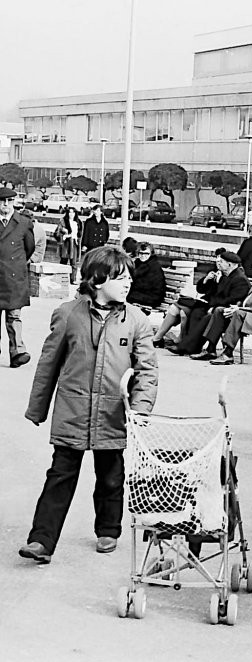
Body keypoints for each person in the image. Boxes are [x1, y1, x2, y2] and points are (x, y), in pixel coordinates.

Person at [18, 246, 158, 564]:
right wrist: (37, 408)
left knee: (111, 476)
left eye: (129, 278)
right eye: (119, 278)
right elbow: (48, 365)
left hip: (114, 415)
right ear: (96, 280)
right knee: (60, 474)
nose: (127, 284)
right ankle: (41, 539)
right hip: (73, 411)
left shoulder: (135, 320)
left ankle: (108, 529)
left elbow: (148, 371)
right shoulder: (69, 314)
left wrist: (140, 409)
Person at [194, 258, 252, 364]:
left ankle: (228, 353)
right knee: (220, 310)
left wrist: (239, 309)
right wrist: (236, 306)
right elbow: (247, 301)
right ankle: (210, 349)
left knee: (238, 314)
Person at [152, 250, 250, 350]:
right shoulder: (221, 273)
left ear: (229, 264)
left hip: (221, 310)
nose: (218, 263)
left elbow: (231, 299)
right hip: (207, 304)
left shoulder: (239, 279)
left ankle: (187, 346)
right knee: (184, 310)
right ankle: (180, 343)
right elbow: (201, 290)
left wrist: (212, 305)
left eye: (221, 262)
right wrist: (207, 279)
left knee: (197, 314)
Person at [0, 186, 36, 368]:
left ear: (14, 202)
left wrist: (17, 265)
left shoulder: (23, 222)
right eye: (2, 201)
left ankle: (18, 352)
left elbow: (29, 248)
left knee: (14, 317)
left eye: (9, 201)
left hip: (14, 278)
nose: (5, 205)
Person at [127, 242, 167, 310]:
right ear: (138, 253)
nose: (143, 256)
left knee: (127, 296)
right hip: (140, 293)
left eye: (146, 253)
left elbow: (147, 285)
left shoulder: (154, 266)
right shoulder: (137, 263)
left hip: (152, 296)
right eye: (141, 253)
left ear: (151, 254)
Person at [54, 209, 82, 283]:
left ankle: (73, 279)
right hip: (66, 244)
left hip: (74, 243)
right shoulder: (63, 222)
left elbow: (80, 234)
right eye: (70, 212)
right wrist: (64, 235)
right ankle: (61, 278)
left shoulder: (78, 222)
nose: (71, 214)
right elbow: (57, 233)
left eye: (73, 212)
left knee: (74, 263)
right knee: (64, 261)